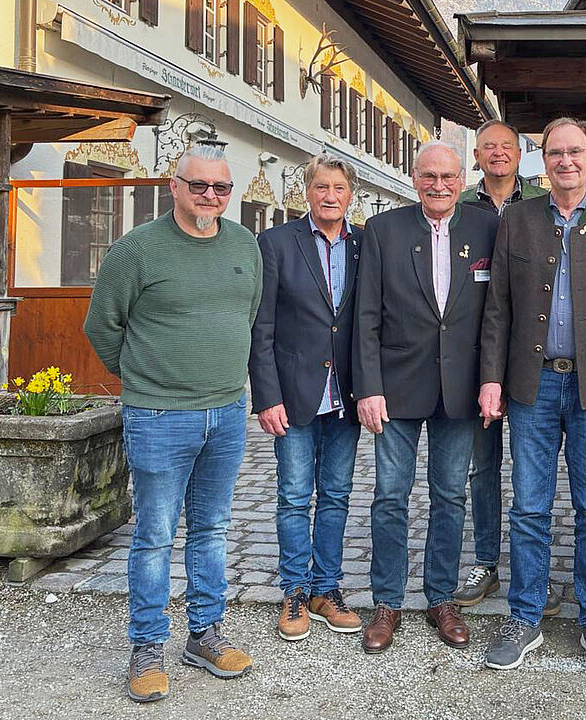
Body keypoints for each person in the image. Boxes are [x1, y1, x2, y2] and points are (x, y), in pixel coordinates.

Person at [84, 142, 260, 703]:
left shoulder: (244, 245)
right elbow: (102, 327)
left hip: (227, 411)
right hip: (158, 415)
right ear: (174, 186)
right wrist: (145, 379)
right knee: (155, 536)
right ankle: (147, 646)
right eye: (200, 185)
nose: (212, 196)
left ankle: (205, 633)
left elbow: (245, 314)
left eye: (222, 188)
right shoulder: (137, 250)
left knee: (212, 529)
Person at [479, 117, 586, 675]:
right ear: (541, 160)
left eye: (575, 152)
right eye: (555, 153)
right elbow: (497, 305)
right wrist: (492, 377)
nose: (565, 161)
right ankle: (525, 617)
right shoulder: (518, 220)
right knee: (529, 505)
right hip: (532, 384)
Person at [353, 140, 500, 654]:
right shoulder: (383, 230)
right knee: (390, 498)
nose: (438, 185)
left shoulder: (486, 226)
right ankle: (387, 601)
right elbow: (365, 315)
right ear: (414, 178)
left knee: (450, 496)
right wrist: (367, 386)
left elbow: (495, 312)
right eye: (428, 176)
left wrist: (491, 377)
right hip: (396, 386)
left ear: (463, 178)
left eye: (448, 176)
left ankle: (441, 597)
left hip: (460, 388)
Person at [249, 153, 363, 642]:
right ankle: (294, 591)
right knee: (295, 496)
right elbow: (263, 328)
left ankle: (326, 588)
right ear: (307, 191)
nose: (330, 195)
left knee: (336, 496)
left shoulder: (364, 246)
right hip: (294, 394)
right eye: (321, 187)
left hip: (347, 395)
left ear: (350, 194)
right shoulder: (275, 243)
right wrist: (266, 396)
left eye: (338, 188)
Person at [453, 119, 556, 615]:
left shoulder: (542, 203)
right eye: (488, 147)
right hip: (478, 353)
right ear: (477, 155)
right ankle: (488, 561)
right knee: (484, 465)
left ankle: (535, 572)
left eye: (506, 147)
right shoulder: (460, 206)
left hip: (533, 354)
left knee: (536, 472)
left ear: (521, 154)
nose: (497, 154)